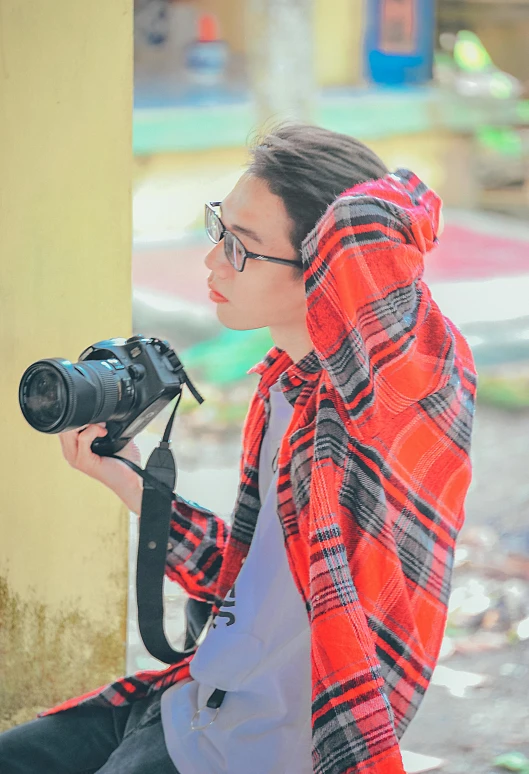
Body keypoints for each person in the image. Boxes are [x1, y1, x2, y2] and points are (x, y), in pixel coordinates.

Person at [0, 124, 477, 774]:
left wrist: (364, 210)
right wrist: (134, 484)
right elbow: (250, 582)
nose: (212, 262)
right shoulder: (286, 384)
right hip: (187, 703)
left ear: (332, 267)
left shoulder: (393, 405)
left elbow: (364, 231)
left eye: (241, 247)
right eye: (218, 230)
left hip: (261, 751)